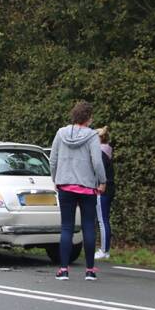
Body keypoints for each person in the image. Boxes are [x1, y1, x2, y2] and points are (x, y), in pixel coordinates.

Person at [49, 101, 107, 281]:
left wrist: (55, 178)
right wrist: (102, 181)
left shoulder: (60, 133)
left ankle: (63, 270)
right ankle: (90, 270)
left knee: (66, 227)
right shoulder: (92, 136)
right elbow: (97, 162)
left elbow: (53, 159)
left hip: (65, 185)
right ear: (89, 118)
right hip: (87, 187)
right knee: (88, 226)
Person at [94, 126, 115, 260]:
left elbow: (99, 173)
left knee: (102, 220)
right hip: (109, 189)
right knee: (104, 219)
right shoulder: (107, 151)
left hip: (103, 190)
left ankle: (104, 250)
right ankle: (105, 248)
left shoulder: (100, 154)